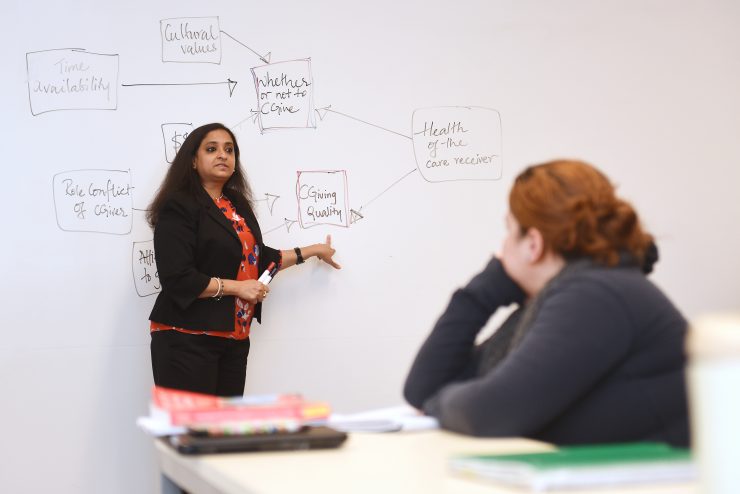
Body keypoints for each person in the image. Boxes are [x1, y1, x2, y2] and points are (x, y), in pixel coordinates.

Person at [403, 159, 689, 446]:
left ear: (533, 244)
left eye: (509, 230)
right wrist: (484, 291)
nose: (501, 248)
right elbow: (424, 386)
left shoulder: (596, 295)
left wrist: (437, 403)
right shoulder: (574, 292)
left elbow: (491, 411)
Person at [147, 122, 341, 396]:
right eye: (211, 149)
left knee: (227, 433)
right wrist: (239, 287)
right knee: (194, 435)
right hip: (186, 339)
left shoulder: (236, 205)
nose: (223, 155)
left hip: (235, 338)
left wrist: (312, 250)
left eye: (229, 150)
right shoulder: (179, 206)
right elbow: (177, 278)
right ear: (193, 160)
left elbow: (259, 258)